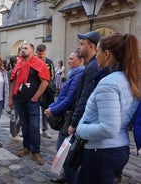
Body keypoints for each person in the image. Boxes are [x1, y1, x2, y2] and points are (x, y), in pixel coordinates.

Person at [76, 33, 141, 184]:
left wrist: (80, 130)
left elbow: (108, 128)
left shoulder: (109, 83)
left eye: (98, 52)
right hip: (119, 148)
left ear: (106, 54)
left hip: (101, 151)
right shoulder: (130, 78)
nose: (96, 56)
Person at [50, 31, 102, 184]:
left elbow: (83, 98)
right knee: (66, 152)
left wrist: (73, 122)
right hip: (76, 117)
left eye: (82, 44)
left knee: (67, 154)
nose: (79, 47)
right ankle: (66, 177)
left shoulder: (92, 67)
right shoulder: (89, 66)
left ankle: (70, 179)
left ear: (91, 46)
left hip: (79, 119)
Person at [44, 50, 84, 183]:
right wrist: (53, 106)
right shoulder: (74, 74)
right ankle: (66, 177)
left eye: (72, 59)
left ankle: (71, 179)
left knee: (64, 151)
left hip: (70, 119)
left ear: (81, 61)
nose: (68, 61)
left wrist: (53, 110)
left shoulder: (78, 76)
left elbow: (69, 99)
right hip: (67, 116)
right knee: (64, 150)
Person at [9, 43, 50, 165]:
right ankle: (26, 147)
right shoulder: (19, 64)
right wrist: (11, 98)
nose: (23, 50)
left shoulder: (39, 63)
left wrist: (36, 97)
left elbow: (45, 82)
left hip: (32, 102)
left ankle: (36, 151)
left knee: (34, 126)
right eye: (22, 48)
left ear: (32, 51)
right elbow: (13, 81)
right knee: (24, 125)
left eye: (26, 48)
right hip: (20, 100)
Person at [36, 44, 55, 139]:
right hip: (35, 89)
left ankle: (45, 129)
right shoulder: (33, 62)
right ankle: (34, 129)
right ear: (36, 53)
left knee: (45, 110)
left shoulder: (49, 62)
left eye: (43, 54)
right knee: (34, 110)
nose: (41, 56)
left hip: (46, 90)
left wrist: (45, 83)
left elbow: (52, 76)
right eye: (40, 54)